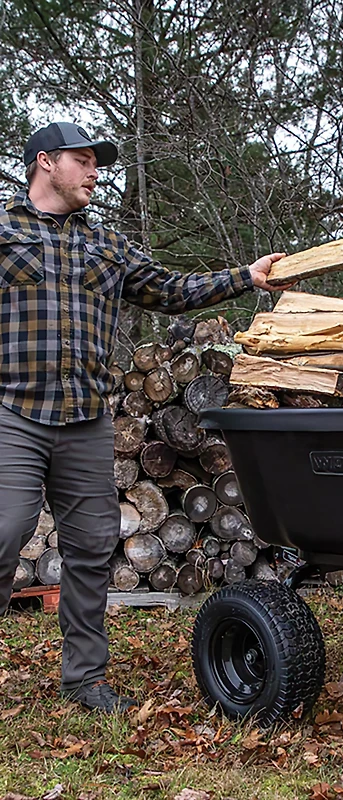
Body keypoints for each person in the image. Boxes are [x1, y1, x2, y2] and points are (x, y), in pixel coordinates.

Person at [0, 121, 291, 712]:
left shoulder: (106, 244)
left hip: (86, 419)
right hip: (14, 413)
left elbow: (171, 289)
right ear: (45, 161)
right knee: (2, 535)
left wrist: (245, 277)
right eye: (82, 161)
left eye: (96, 163)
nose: (94, 172)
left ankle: (85, 679)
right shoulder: (3, 232)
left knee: (92, 545)